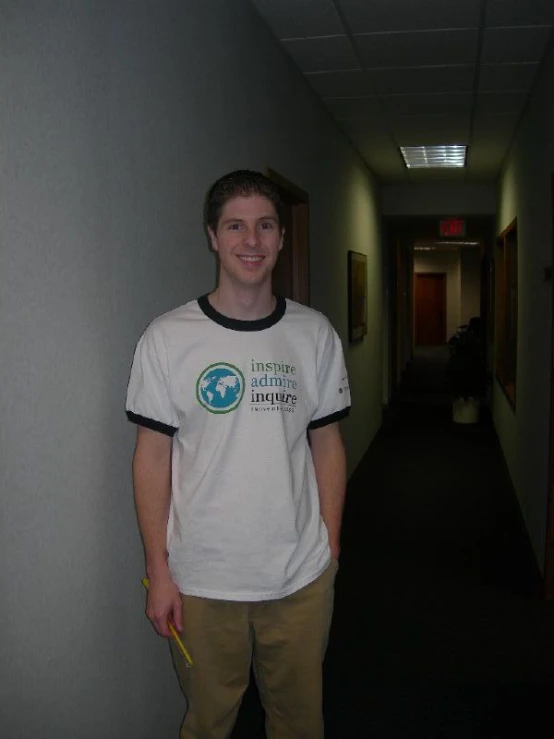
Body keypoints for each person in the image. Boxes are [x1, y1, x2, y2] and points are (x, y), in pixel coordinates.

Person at [126, 169, 350, 738]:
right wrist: (159, 571)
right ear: (212, 236)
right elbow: (152, 457)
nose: (251, 240)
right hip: (201, 580)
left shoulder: (314, 334)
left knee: (300, 722)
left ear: (279, 238)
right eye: (235, 226)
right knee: (207, 723)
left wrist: (329, 545)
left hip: (298, 575)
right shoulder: (168, 338)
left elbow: (326, 443)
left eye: (265, 226)